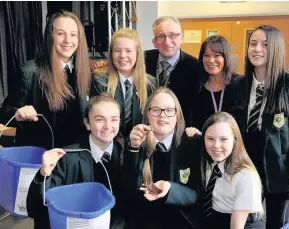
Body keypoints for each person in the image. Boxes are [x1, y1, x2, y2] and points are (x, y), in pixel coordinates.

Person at [232, 25, 289, 229]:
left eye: (265, 45)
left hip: (278, 168)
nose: (257, 49)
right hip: (246, 164)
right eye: (253, 44)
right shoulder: (238, 84)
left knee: (276, 222)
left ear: (275, 49)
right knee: (244, 220)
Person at [144, 112, 265, 229]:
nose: (216, 145)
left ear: (235, 140)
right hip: (216, 220)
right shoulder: (209, 162)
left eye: (224, 139)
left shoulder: (245, 176)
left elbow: (236, 226)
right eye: (210, 139)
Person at [27, 94, 128, 229]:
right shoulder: (67, 157)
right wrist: (43, 174)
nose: (108, 126)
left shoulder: (127, 153)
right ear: (87, 123)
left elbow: (127, 206)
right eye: (99, 119)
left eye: (114, 119)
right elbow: (35, 209)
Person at [0, 10, 91, 149]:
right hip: (40, 156)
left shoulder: (87, 72)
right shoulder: (30, 71)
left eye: (73, 34)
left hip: (75, 156)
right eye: (60, 34)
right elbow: (5, 112)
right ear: (50, 36)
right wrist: (18, 113)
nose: (68, 40)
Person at [94, 16, 203, 125]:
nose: (167, 41)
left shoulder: (196, 67)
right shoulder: (144, 57)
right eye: (161, 36)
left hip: (180, 130)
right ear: (154, 41)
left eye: (172, 35)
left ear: (182, 37)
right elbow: (124, 58)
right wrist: (105, 63)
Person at [124, 87, 202, 229]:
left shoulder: (192, 143)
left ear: (177, 115)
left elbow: (196, 193)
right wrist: (133, 149)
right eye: (156, 110)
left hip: (179, 222)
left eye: (169, 110)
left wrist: (170, 188)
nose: (162, 115)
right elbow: (128, 190)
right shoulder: (135, 142)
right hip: (142, 223)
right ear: (147, 114)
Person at [90, 28, 156, 139]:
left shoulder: (150, 84)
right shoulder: (99, 80)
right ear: (111, 54)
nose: (122, 55)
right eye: (117, 50)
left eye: (128, 51)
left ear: (137, 53)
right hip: (108, 144)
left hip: (140, 145)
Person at [192, 35, 241, 131]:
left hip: (233, 143)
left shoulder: (239, 84)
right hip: (205, 142)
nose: (211, 60)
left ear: (225, 57)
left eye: (217, 55)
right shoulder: (196, 86)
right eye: (206, 55)